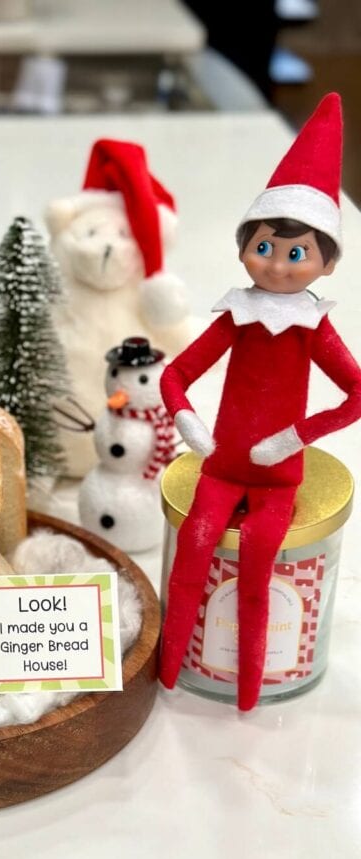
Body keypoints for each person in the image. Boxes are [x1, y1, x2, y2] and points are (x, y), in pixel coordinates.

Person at [159, 92, 361, 711]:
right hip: (222, 466)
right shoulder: (238, 317)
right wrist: (190, 422)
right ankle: (165, 677)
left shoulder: (313, 327)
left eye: (296, 253)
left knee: (257, 572)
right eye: (265, 248)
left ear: (325, 263)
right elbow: (176, 375)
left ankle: (251, 692)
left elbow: (356, 394)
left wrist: (297, 436)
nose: (276, 266)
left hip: (279, 477)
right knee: (192, 554)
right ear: (245, 246)